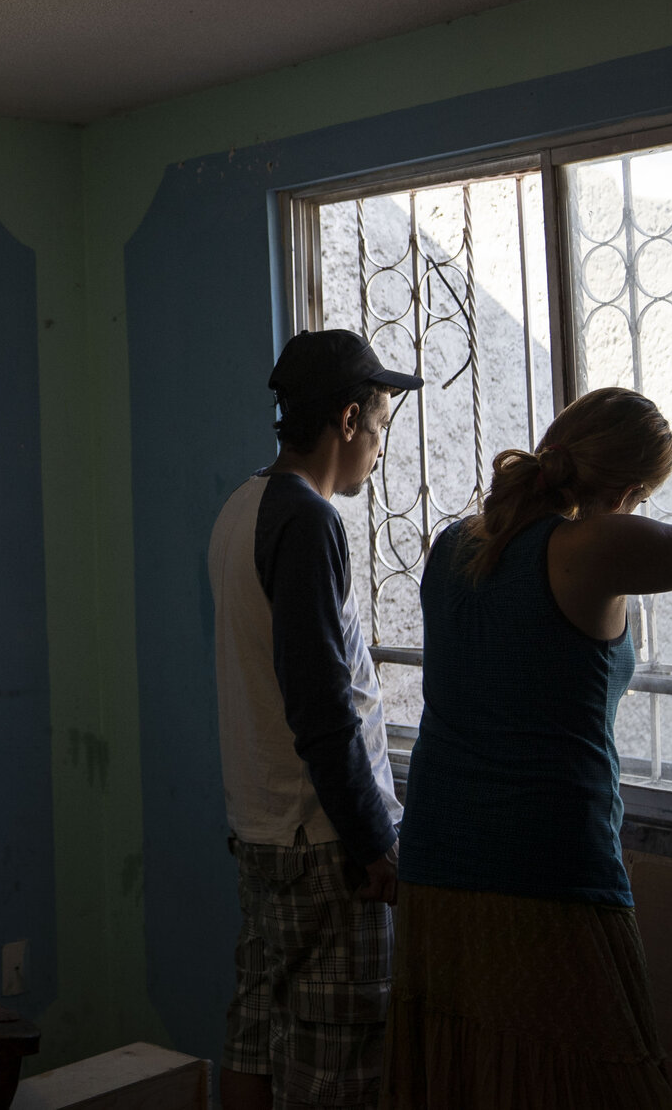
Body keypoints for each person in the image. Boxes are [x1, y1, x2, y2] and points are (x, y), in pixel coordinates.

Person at [386, 348, 672, 1108]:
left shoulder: (453, 548)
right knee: (595, 1075)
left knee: (466, 1080)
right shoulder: (593, 547)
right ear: (629, 490)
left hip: (435, 860)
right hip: (547, 873)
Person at [211, 328, 423, 1110]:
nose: (377, 445)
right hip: (321, 840)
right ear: (345, 420)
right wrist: (374, 839)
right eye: (378, 424)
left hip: (263, 830)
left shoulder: (241, 505)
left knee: (255, 1036)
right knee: (334, 1065)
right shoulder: (308, 521)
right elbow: (320, 703)